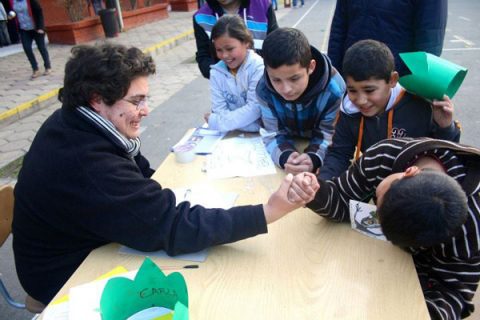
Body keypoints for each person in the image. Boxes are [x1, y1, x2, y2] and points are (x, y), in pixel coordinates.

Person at [12, 43, 319, 305]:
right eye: (136, 101)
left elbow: (136, 172)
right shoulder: (86, 161)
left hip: (82, 242)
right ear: (96, 99)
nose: (146, 110)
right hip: (66, 275)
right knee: (204, 291)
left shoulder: (79, 121)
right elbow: (170, 227)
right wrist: (267, 211)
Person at [288, 137, 480, 320]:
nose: (375, 216)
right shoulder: (384, 156)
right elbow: (342, 198)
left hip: (414, 282)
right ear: (409, 171)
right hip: (368, 269)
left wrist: (423, 313)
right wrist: (314, 192)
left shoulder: (473, 227)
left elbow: (454, 292)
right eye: (378, 203)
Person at [320, 40, 461, 180]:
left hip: (418, 187)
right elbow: (339, 154)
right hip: (375, 187)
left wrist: (446, 127)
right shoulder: (349, 111)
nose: (361, 100)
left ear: (393, 80)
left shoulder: (420, 106)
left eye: (369, 90)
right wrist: (322, 185)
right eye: (352, 90)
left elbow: (447, 155)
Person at [256, 27, 345, 175]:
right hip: (290, 145)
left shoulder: (334, 90)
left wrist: (314, 158)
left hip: (317, 144)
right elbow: (271, 133)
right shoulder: (263, 89)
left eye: (294, 78)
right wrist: (285, 156)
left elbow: (329, 134)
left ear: (311, 67)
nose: (286, 89)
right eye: (276, 80)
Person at [327, 0, 448, 76]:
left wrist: (414, 82)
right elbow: (339, 27)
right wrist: (334, 72)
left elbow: (430, 39)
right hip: (353, 74)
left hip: (395, 77)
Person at [204, 15, 263, 132]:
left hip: (259, 136)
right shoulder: (216, 73)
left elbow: (255, 109)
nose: (224, 55)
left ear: (246, 42)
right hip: (232, 136)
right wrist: (222, 121)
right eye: (219, 50)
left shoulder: (258, 67)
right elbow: (219, 110)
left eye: (230, 49)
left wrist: (216, 122)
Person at [193, 0, 278, 79]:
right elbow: (204, 57)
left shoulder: (264, 6)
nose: (225, 55)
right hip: (226, 88)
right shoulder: (200, 18)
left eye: (229, 48)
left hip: (264, 81)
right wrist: (223, 77)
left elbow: (276, 47)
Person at [8, 0, 52, 79]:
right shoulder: (12, 2)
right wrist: (10, 15)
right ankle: (35, 69)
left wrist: (40, 27)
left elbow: (39, 12)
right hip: (24, 29)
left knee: (41, 47)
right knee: (27, 48)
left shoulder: (30, 1)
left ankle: (47, 67)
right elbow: (11, 12)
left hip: (36, 28)